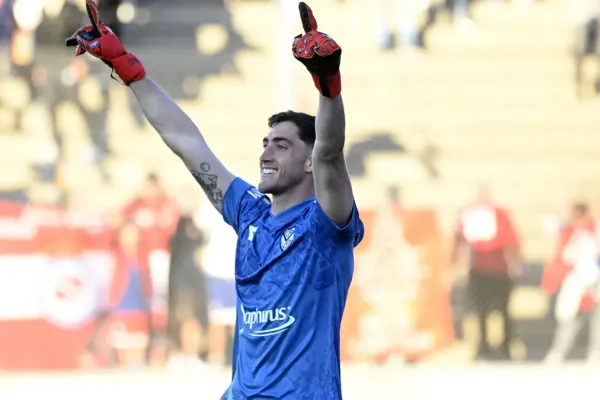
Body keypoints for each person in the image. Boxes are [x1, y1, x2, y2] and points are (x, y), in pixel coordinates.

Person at [66, 1, 364, 399]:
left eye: (280, 146)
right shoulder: (248, 214)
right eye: (264, 144)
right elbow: (187, 143)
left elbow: (329, 152)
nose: (265, 155)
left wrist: (328, 84)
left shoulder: (326, 226)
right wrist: (126, 67)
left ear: (308, 163)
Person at [451, 184, 521, 361]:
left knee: (503, 311)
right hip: (479, 269)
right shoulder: (468, 216)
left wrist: (514, 263)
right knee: (481, 311)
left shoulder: (500, 215)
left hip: (499, 269)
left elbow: (511, 241)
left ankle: (505, 347)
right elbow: (459, 240)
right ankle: (483, 347)